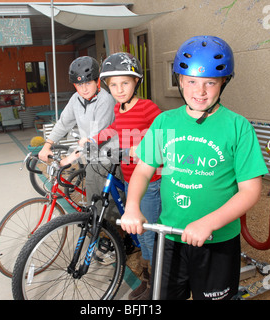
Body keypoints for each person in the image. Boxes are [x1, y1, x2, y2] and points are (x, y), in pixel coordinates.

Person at [120, 36, 268, 300]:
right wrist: (132, 206)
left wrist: (209, 222)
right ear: (179, 81)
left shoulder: (238, 127)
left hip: (218, 241)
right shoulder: (165, 122)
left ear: (224, 82)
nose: (200, 91)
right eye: (191, 82)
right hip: (171, 239)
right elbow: (143, 170)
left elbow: (250, 191)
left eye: (210, 82)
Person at [95, 52, 162, 300]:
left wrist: (141, 145)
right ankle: (148, 278)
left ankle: (158, 286)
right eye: (113, 85)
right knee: (140, 232)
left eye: (125, 83)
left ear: (136, 83)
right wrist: (93, 140)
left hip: (150, 183)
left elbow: (163, 134)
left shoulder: (147, 107)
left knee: (148, 233)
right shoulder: (118, 108)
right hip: (128, 178)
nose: (119, 89)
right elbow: (116, 128)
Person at [38, 56, 116, 219]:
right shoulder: (76, 99)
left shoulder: (105, 100)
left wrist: (69, 159)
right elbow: (63, 123)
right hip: (91, 157)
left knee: (108, 204)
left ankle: (113, 237)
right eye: (80, 84)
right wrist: (48, 144)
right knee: (93, 200)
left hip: (108, 158)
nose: (84, 89)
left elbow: (94, 138)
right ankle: (99, 232)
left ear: (97, 81)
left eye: (88, 83)